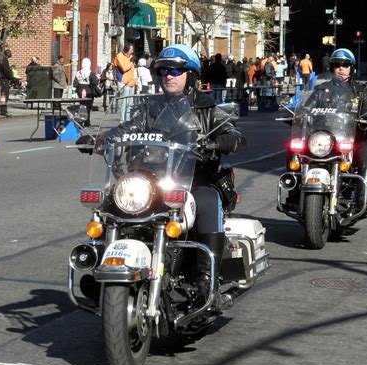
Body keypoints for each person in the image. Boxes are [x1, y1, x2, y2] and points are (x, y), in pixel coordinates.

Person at [89, 44, 246, 309]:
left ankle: (207, 281)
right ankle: (100, 266)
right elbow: (128, 128)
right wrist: (104, 139)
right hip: (149, 181)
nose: (168, 76)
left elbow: (233, 134)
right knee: (111, 203)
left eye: (176, 70)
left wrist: (224, 141)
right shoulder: (150, 108)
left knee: (208, 200)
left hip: (193, 182)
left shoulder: (207, 109)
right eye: (163, 71)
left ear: (191, 75)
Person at [305, 48, 367, 210]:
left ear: (352, 68)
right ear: (331, 68)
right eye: (336, 65)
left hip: (351, 138)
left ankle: (362, 196)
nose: (340, 68)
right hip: (324, 139)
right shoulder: (322, 90)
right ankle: (293, 190)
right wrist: (295, 116)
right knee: (294, 148)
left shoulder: (361, 91)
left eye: (345, 65)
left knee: (366, 150)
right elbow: (306, 108)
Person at [113, 43, 137, 122]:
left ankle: (128, 120)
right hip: (124, 82)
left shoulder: (131, 57)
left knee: (130, 103)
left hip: (131, 82)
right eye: (131, 50)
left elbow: (133, 70)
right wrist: (131, 63)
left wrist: (135, 80)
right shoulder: (119, 56)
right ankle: (122, 121)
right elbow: (124, 68)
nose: (132, 51)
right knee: (124, 102)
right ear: (127, 50)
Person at [73, 57, 99, 126]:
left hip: (80, 91)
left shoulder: (78, 73)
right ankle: (87, 122)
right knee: (88, 107)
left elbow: (75, 83)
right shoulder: (90, 73)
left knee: (82, 106)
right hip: (89, 92)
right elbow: (95, 82)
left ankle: (81, 121)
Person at [0, 49, 13, 117]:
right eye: (10, 53)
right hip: (4, 80)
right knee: (4, 96)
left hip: (4, 80)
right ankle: (3, 110)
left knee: (4, 96)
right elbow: (6, 71)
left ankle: (3, 110)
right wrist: (11, 77)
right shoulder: (5, 61)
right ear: (8, 54)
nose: (11, 54)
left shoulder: (4, 60)